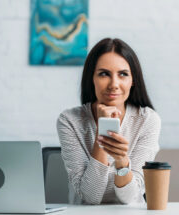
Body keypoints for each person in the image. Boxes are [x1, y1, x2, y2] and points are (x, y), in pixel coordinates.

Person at [56, 38, 161, 205]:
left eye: (123, 74)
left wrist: (121, 161)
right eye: (104, 74)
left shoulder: (147, 120)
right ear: (92, 78)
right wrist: (101, 133)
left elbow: (130, 198)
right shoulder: (70, 120)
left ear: (133, 80)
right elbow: (90, 197)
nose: (114, 84)